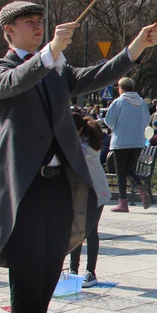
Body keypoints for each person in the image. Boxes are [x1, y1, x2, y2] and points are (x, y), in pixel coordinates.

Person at [0, 0, 157, 313]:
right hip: (26, 187)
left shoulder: (55, 69)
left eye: (39, 22)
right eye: (29, 23)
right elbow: (14, 83)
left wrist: (136, 47)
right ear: (8, 32)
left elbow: (97, 74)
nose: (37, 27)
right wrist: (50, 53)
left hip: (59, 184)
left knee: (48, 270)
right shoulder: (2, 69)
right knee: (28, 273)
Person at [69, 114, 109, 288]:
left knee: (90, 231)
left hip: (96, 194)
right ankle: (73, 270)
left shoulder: (85, 148)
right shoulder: (82, 143)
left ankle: (91, 273)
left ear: (78, 130)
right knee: (77, 230)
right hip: (84, 193)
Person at [105, 77, 152, 212]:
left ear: (121, 88)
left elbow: (109, 120)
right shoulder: (142, 103)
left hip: (121, 141)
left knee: (121, 172)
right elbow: (146, 120)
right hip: (138, 141)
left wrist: (116, 128)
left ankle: (123, 203)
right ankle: (139, 186)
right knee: (130, 170)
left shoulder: (119, 102)